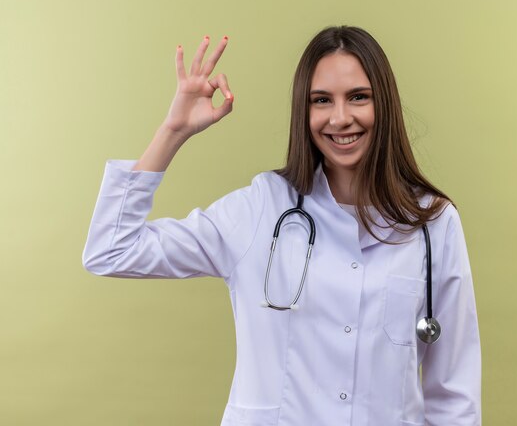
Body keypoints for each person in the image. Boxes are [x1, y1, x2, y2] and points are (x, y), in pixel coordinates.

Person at [83, 26, 481, 426]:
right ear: (303, 111)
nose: (340, 118)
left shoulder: (432, 223)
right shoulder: (262, 207)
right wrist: (172, 132)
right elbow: (112, 249)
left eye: (358, 97)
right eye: (321, 100)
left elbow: (453, 395)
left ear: (386, 105)